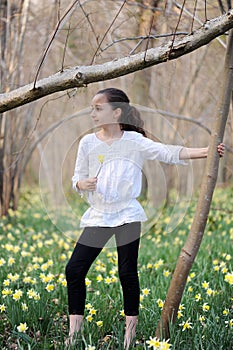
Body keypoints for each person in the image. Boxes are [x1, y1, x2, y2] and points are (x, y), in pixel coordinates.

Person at [65, 87, 224, 349]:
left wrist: (206, 151)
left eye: (98, 108)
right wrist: (82, 184)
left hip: (127, 214)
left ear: (116, 112)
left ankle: (130, 336)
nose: (92, 113)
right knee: (75, 269)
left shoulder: (134, 142)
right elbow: (76, 178)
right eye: (92, 108)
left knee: (126, 272)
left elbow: (168, 152)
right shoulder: (88, 143)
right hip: (99, 215)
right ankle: (74, 336)